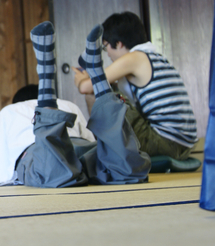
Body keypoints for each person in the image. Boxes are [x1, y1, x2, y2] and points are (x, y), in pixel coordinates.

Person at [0, 21, 151, 188]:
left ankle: (46, 73)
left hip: (39, 154)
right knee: (127, 169)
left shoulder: (8, 111)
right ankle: (95, 70)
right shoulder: (67, 105)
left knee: (53, 174)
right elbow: (92, 139)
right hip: (81, 148)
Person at [74, 12, 198, 160]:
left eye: (106, 47)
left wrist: (82, 79)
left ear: (118, 44)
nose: (108, 54)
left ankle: (105, 152)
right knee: (107, 88)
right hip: (183, 145)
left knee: (96, 92)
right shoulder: (154, 56)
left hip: (165, 142)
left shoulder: (134, 58)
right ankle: (106, 149)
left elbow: (86, 87)